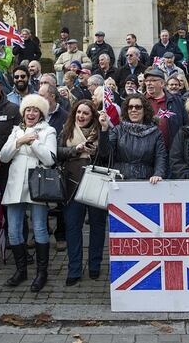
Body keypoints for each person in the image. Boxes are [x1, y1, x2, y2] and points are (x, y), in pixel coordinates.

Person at [0, 94, 57, 292]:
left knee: (39, 228)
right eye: (28, 110)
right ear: (23, 112)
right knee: (14, 231)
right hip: (15, 185)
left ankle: (42, 273)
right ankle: (21, 270)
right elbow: (3, 157)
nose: (31, 113)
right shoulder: (16, 131)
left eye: (35, 110)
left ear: (41, 113)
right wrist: (20, 141)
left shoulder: (48, 131)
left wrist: (33, 143)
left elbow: (50, 159)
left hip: (37, 185)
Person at [58, 100, 110, 286]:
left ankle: (95, 266)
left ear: (92, 116)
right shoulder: (67, 129)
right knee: (73, 228)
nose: (81, 116)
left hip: (96, 184)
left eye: (85, 113)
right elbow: (56, 152)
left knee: (97, 226)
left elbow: (107, 155)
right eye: (79, 112)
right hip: (72, 185)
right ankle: (74, 269)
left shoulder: (102, 130)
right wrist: (75, 149)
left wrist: (101, 139)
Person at [102, 93, 166, 183]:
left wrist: (158, 174)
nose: (133, 110)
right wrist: (104, 130)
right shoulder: (118, 130)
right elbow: (105, 154)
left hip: (147, 182)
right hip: (120, 180)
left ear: (145, 110)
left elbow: (160, 157)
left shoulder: (155, 133)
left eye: (138, 107)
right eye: (130, 107)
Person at [143, 68, 188, 155]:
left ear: (162, 83)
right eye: (147, 81)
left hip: (172, 153)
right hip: (147, 154)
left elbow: (185, 125)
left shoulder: (177, 101)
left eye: (152, 80)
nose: (148, 83)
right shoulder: (139, 101)